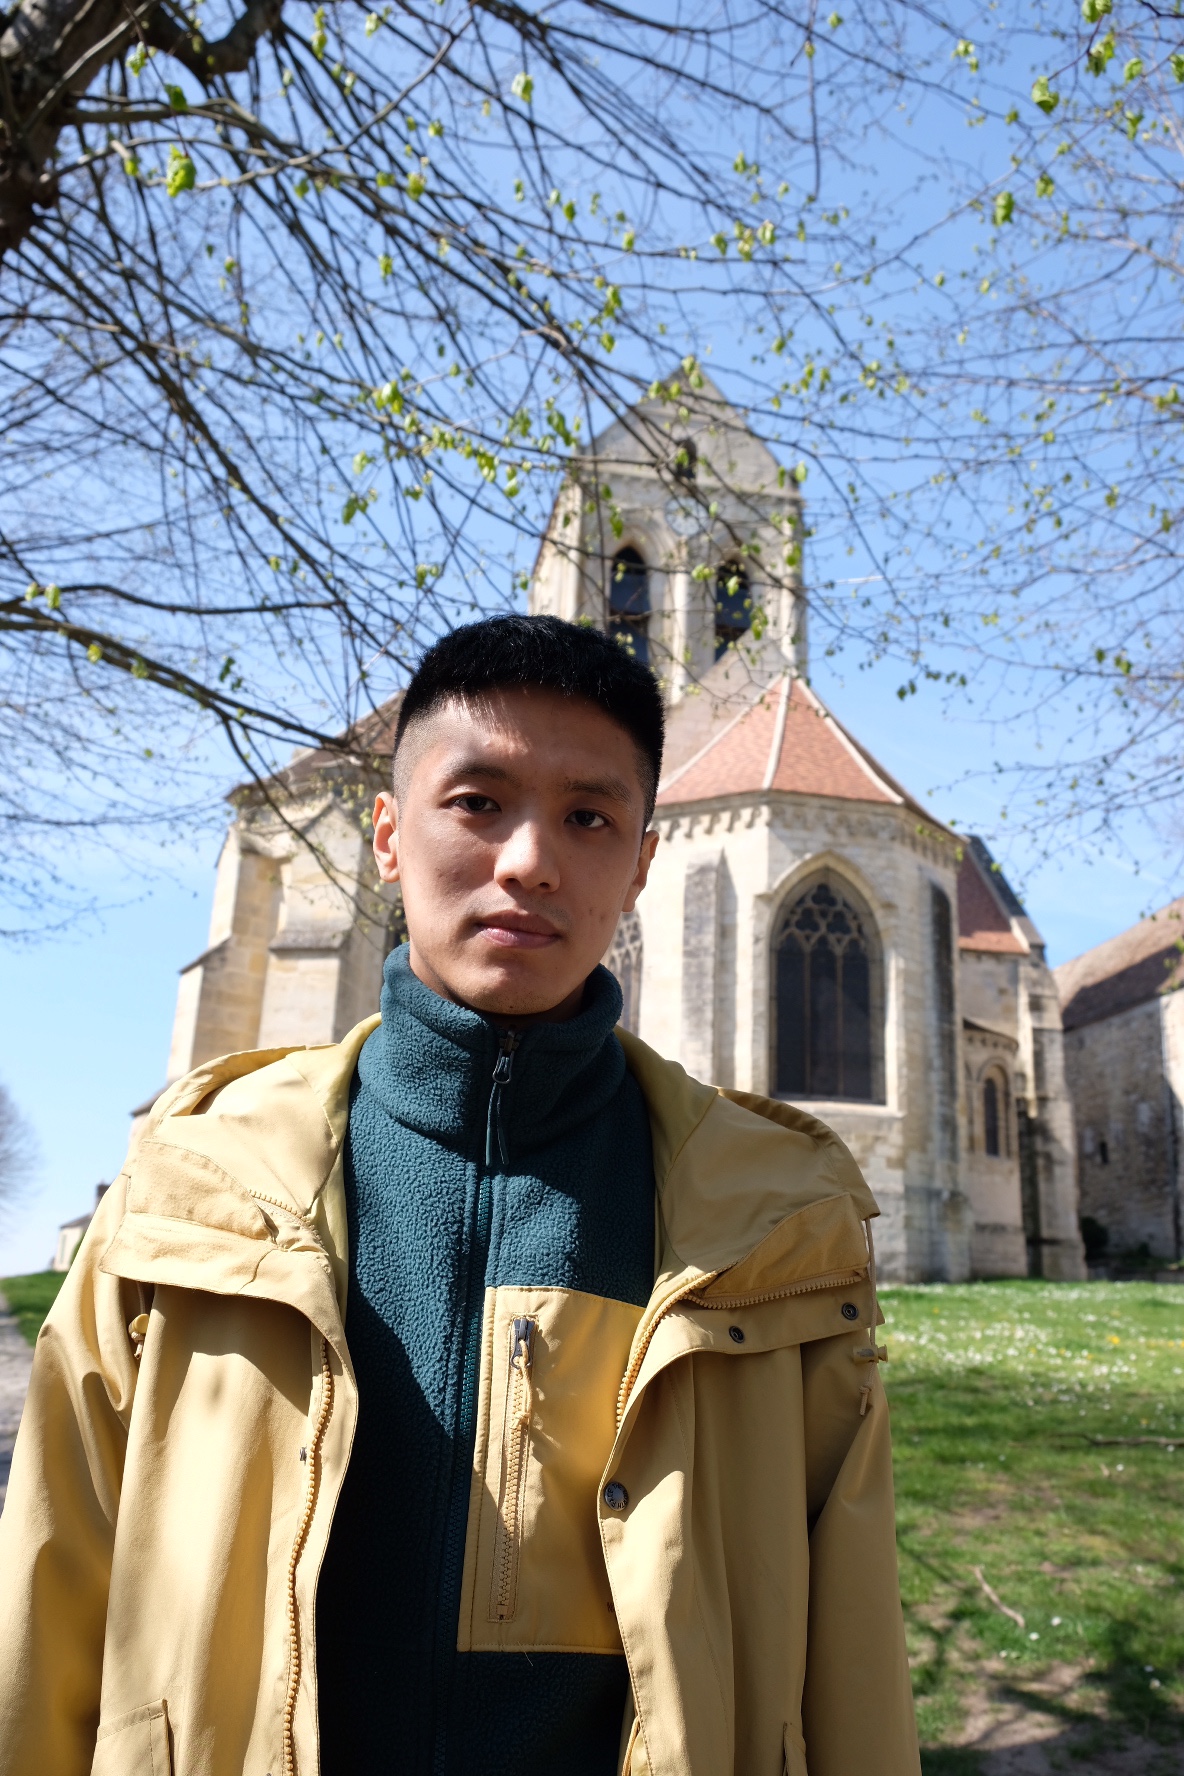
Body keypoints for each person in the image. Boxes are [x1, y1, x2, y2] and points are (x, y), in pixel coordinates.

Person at [0, 614, 920, 1776]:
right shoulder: (192, 1183)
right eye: (478, 802)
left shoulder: (780, 1225)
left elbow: (851, 1648)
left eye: (587, 818)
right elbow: (47, 1594)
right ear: (386, 837)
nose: (529, 859)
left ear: (643, 864)